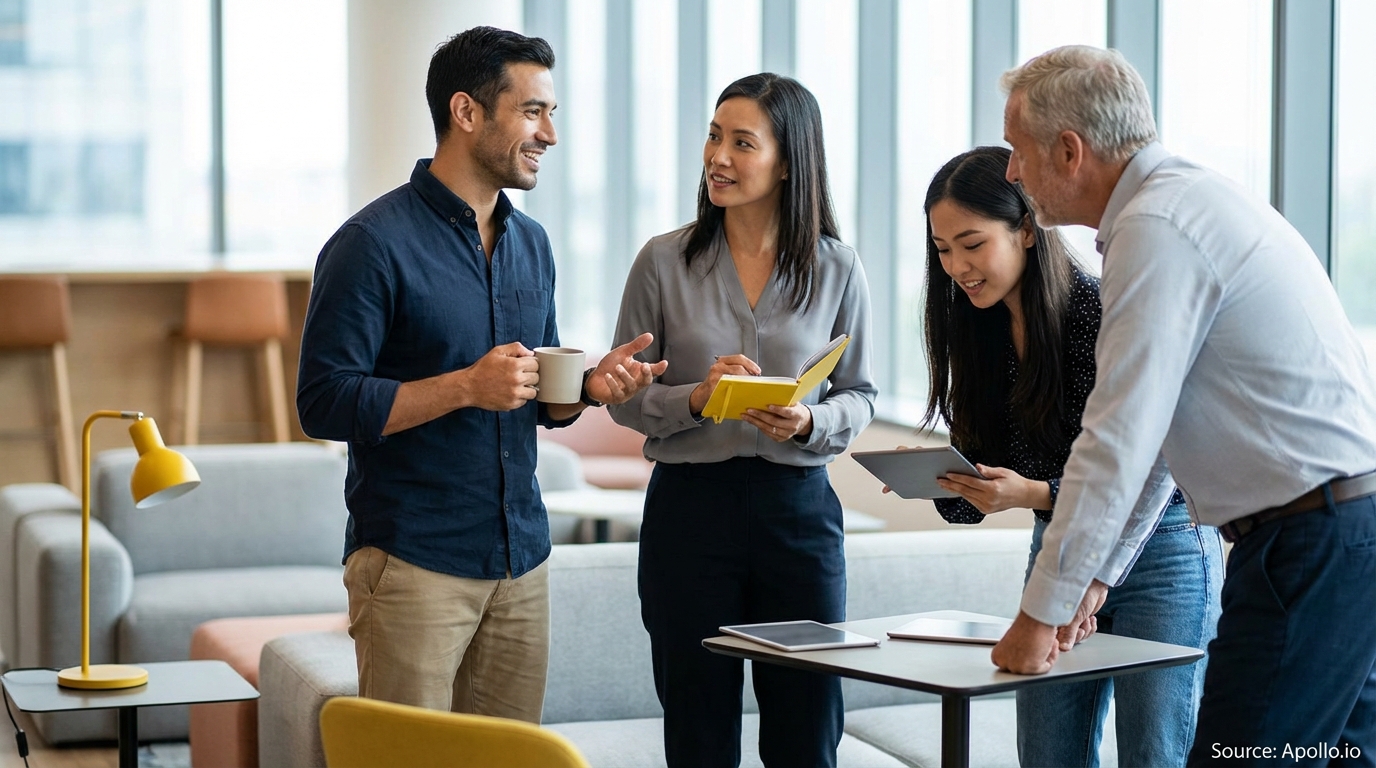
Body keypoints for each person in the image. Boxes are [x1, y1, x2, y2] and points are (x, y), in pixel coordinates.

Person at [988, 45, 1376, 764]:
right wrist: (1097, 578)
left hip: (1308, 545)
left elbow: (1117, 439)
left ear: (1069, 150)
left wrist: (1038, 613)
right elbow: (1158, 446)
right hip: (1344, 533)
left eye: (1017, 150)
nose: (1010, 172)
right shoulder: (1184, 205)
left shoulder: (1155, 228)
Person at [295, 26, 666, 722]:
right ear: (467, 112)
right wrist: (466, 385)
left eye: (552, 113)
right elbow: (322, 402)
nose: (550, 134)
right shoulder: (369, 245)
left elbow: (533, 394)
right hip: (413, 563)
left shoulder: (533, 243)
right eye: (533, 111)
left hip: (520, 559)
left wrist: (586, 389)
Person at [916, 145, 1222, 767]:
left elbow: (1139, 462)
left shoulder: (1101, 310)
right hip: (1058, 541)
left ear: (1026, 229)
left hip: (1160, 547)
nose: (957, 267)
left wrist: (1032, 494)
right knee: (1048, 750)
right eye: (944, 250)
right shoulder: (979, 332)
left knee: (1153, 751)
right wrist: (944, 482)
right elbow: (982, 495)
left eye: (972, 244)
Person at [608, 73, 877, 767]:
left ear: (789, 161)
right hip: (688, 516)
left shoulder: (838, 268)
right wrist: (698, 397)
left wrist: (810, 422)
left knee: (807, 728)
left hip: (798, 516)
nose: (717, 156)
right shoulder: (662, 262)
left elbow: (862, 394)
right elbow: (624, 396)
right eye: (713, 136)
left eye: (742, 142)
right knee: (698, 727)